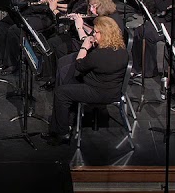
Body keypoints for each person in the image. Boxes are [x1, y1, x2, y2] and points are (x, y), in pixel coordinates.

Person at [43, 16, 127, 146]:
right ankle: (65, 121)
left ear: (104, 34)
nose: (93, 34)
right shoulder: (122, 50)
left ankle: (62, 132)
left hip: (98, 92)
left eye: (96, 32)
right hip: (113, 89)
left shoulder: (98, 55)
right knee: (67, 80)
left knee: (61, 92)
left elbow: (79, 65)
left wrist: (84, 47)